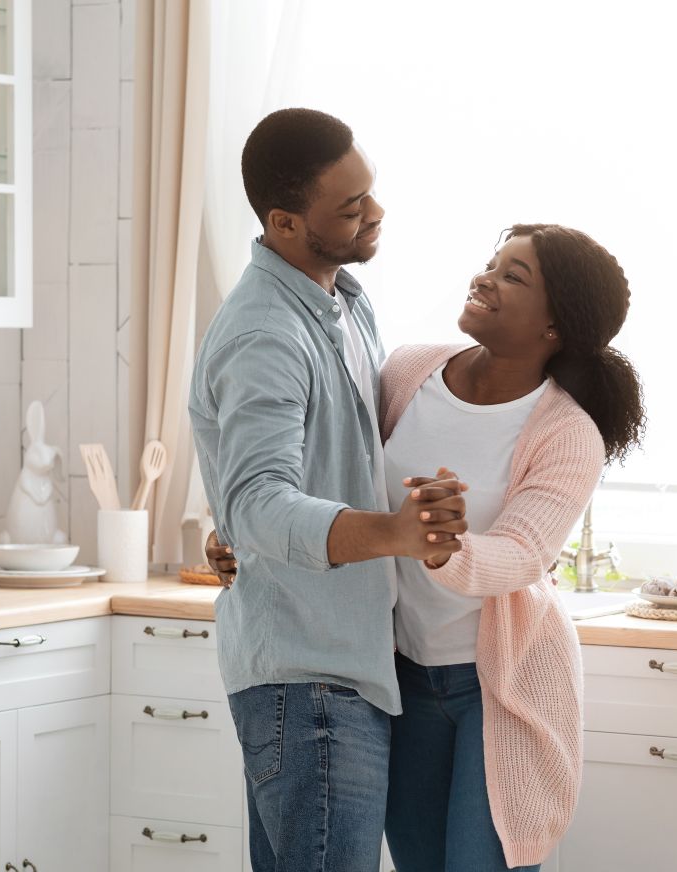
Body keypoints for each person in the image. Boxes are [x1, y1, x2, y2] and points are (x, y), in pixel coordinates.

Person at [211, 223, 645, 871]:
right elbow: (322, 471)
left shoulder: (565, 430)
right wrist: (244, 531)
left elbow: (524, 554)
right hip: (397, 679)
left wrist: (442, 549)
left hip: (498, 688)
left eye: (513, 276)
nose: (485, 279)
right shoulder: (409, 371)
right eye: (492, 264)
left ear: (554, 326)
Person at [188, 108, 469, 872]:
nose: (374, 213)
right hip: (306, 684)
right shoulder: (267, 333)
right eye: (349, 208)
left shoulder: (343, 300)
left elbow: (272, 491)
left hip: (338, 670)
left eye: (369, 192)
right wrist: (396, 533)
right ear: (283, 222)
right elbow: (260, 503)